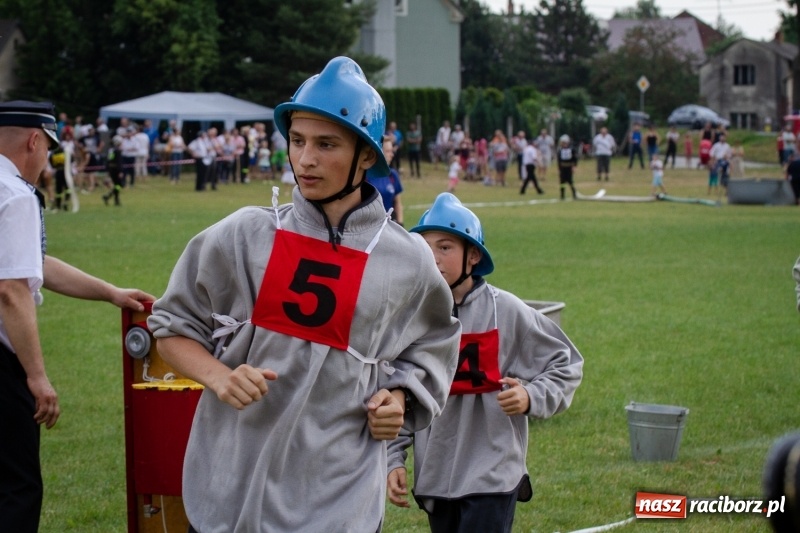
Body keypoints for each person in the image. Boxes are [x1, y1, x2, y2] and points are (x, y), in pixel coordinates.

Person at [146, 56, 460, 533]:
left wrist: (398, 397)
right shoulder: (244, 235)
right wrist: (219, 376)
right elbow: (170, 327)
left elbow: (435, 345)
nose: (306, 159)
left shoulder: (408, 258)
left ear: (367, 155)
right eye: (297, 141)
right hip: (230, 493)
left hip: (340, 501)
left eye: (326, 143)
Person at [386, 193, 584, 533]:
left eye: (445, 248)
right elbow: (400, 392)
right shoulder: (411, 318)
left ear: (473, 256)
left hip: (492, 475)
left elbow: (566, 365)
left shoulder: (507, 311)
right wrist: (393, 458)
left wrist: (532, 397)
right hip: (436, 477)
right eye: (425, 247)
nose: (433, 258)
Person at [0, 100, 154, 533]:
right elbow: (11, 289)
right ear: (35, 140)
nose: (47, 161)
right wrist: (36, 377)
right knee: (16, 487)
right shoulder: (13, 194)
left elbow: (34, 262)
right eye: (48, 150)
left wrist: (110, 292)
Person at [367, 137, 404, 225]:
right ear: (378, 153)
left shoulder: (392, 174)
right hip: (370, 226)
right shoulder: (364, 175)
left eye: (392, 151)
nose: (392, 155)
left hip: (389, 226)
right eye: (388, 151)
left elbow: (398, 203)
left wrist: (400, 224)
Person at [557, 134, 578, 200]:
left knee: (570, 181)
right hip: (563, 168)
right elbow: (559, 160)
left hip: (569, 167)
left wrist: (574, 166)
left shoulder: (571, 150)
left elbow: (575, 159)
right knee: (562, 182)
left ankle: (574, 194)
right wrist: (559, 168)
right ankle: (562, 195)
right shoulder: (560, 150)